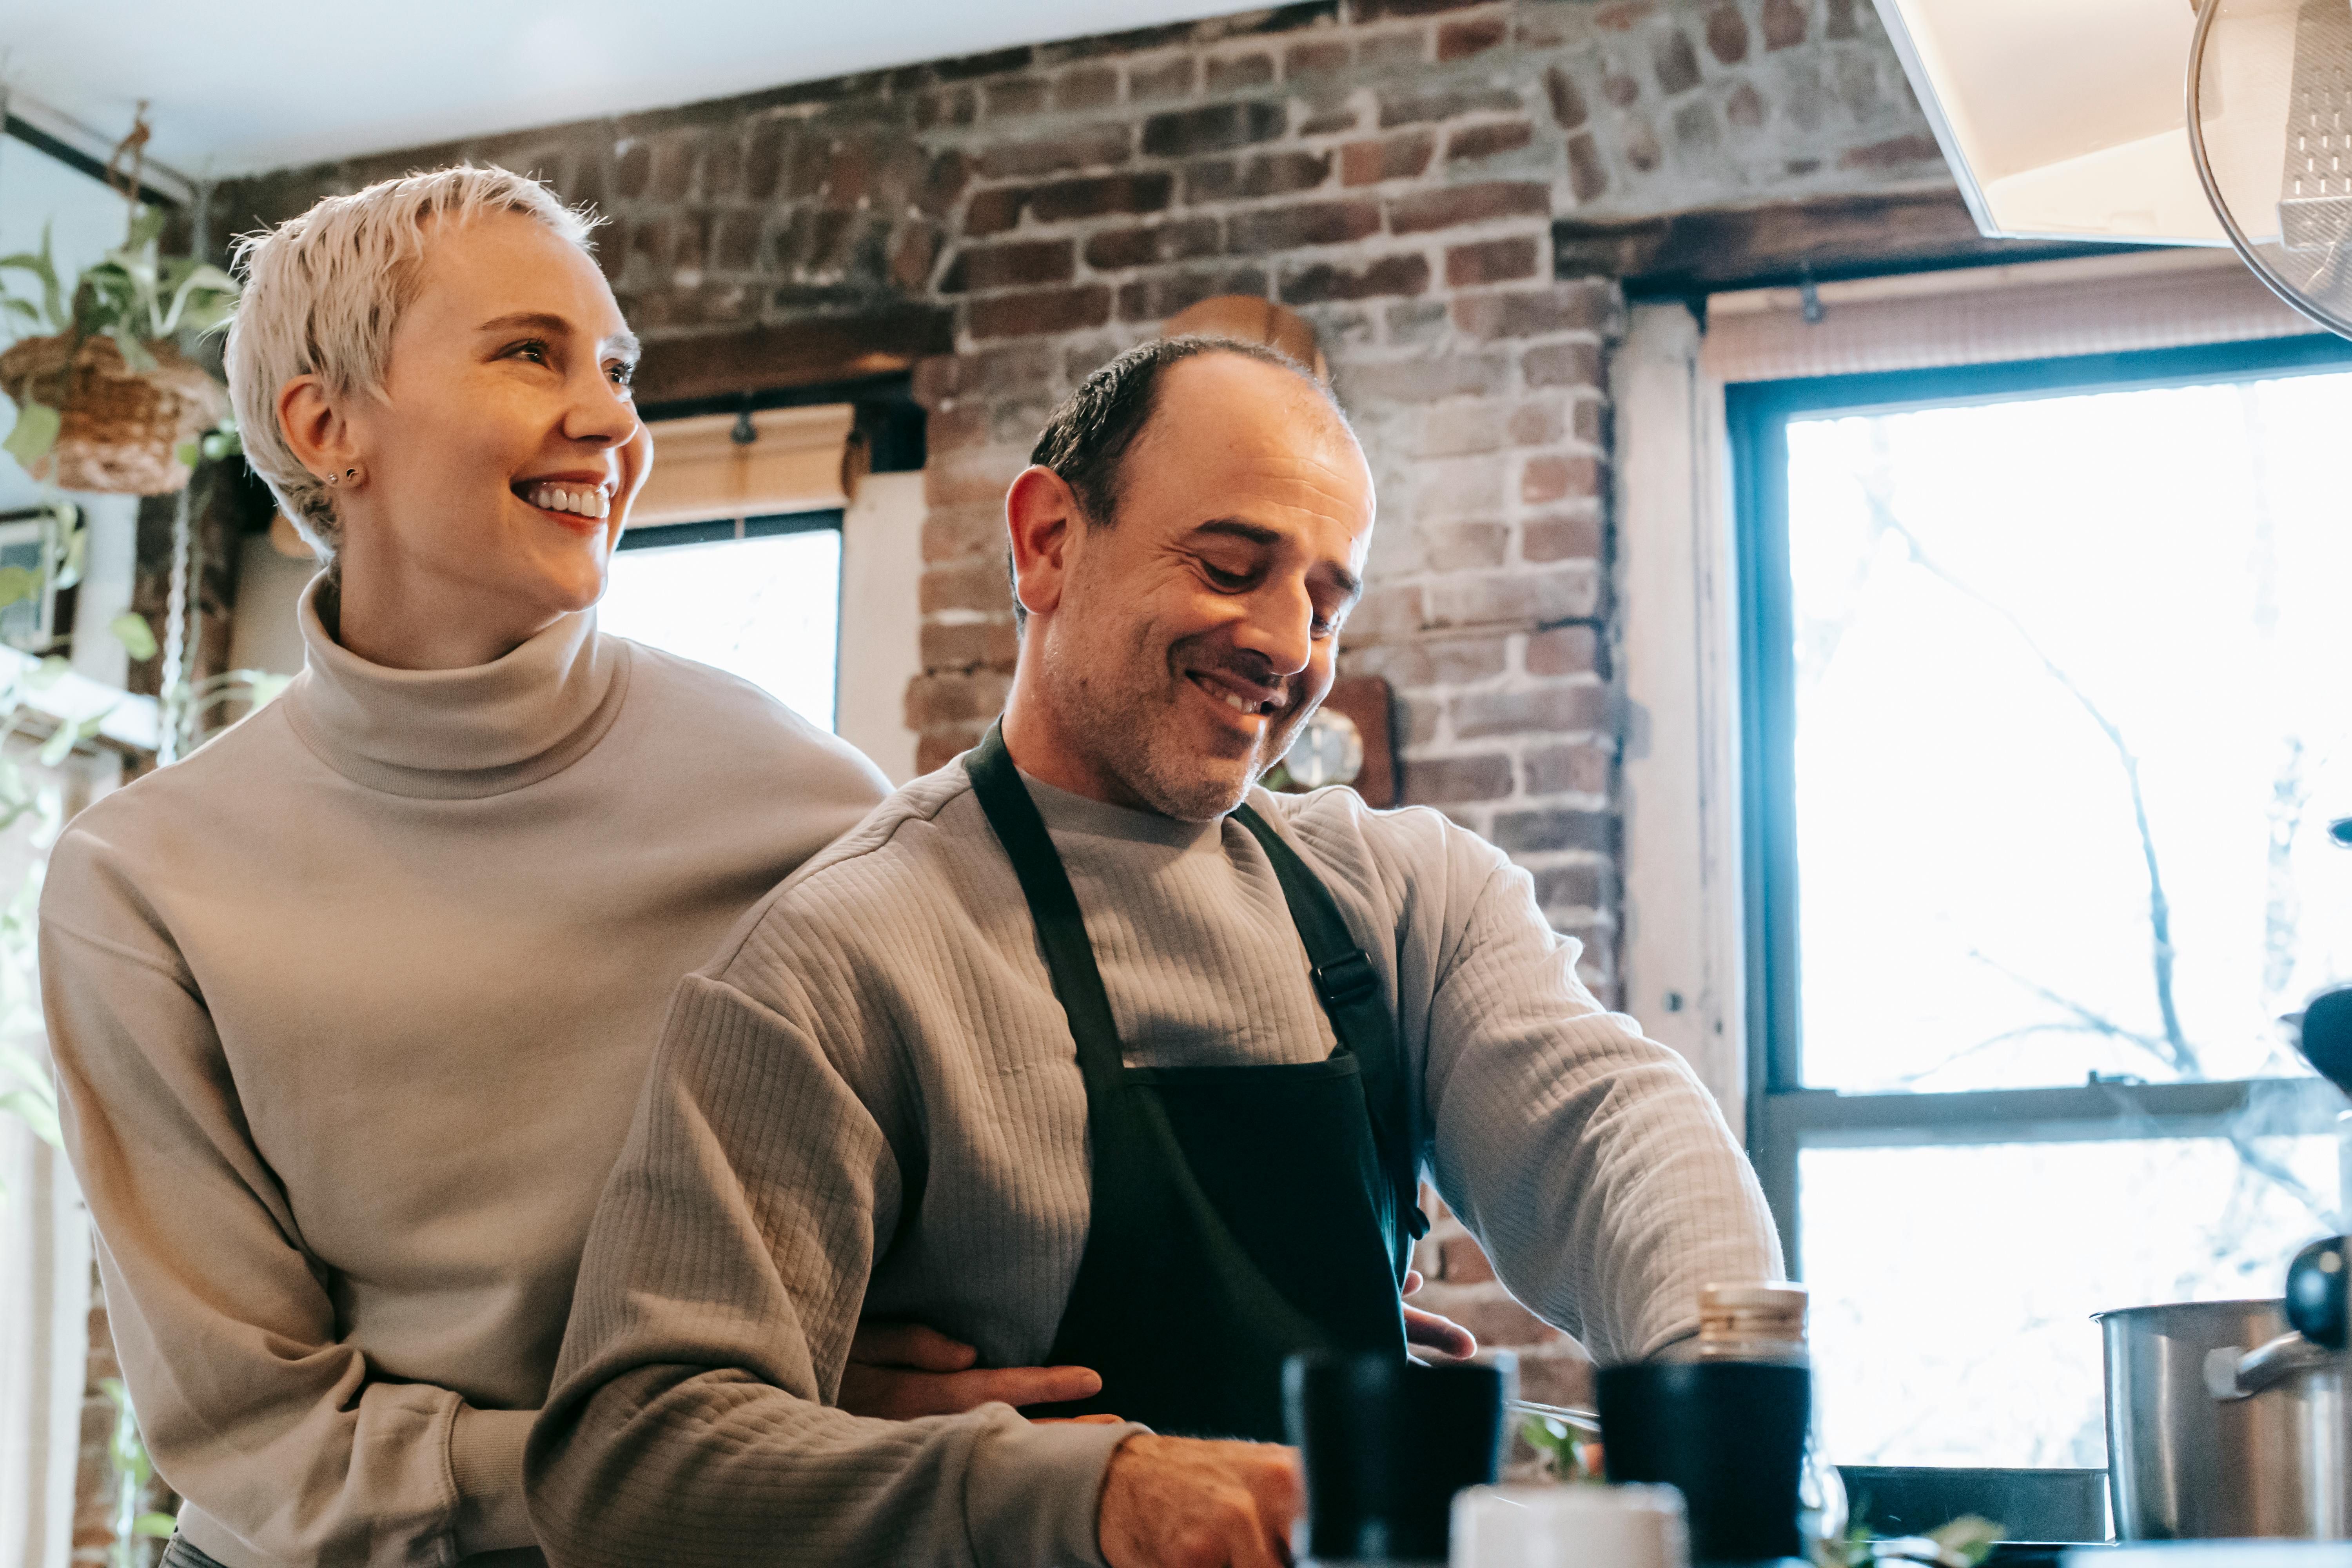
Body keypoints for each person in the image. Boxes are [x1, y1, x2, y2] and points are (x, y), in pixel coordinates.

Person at [526, 337, 1783, 1568]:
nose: (1290, 646)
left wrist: (1722, 1392)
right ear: (1049, 543)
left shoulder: (1409, 900)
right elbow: (631, 1462)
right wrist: (1095, 1495)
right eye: (1235, 566)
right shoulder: (839, 956)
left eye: (1327, 603)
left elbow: (1614, 1132)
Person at [35, 165, 1106, 1568]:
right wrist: (703, 1452)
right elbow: (265, 1447)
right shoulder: (138, 883)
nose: (611, 419)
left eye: (616, 366)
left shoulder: (805, 800)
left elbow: (989, 1193)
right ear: (326, 424)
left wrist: (1281, 1286)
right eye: (530, 353)